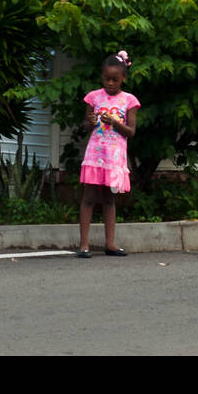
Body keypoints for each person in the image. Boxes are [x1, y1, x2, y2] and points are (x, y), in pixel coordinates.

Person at [77, 50, 138, 258]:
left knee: (109, 199)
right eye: (106, 79)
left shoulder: (129, 100)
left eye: (115, 79)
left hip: (113, 158)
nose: (110, 83)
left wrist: (115, 122)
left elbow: (131, 132)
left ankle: (110, 243)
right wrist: (91, 122)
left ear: (123, 78)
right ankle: (84, 244)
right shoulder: (93, 97)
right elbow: (86, 126)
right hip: (95, 155)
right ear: (101, 77)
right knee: (89, 197)